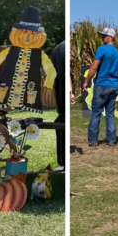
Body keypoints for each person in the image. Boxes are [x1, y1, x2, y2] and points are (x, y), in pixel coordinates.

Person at [81, 28, 118, 147]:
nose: (102, 37)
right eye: (102, 35)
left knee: (96, 113)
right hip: (114, 85)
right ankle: (111, 140)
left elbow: (94, 67)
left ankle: (93, 141)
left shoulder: (102, 49)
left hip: (101, 84)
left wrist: (86, 81)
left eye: (104, 35)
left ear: (111, 38)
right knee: (110, 114)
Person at [53, 39, 66, 167]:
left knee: (61, 119)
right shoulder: (63, 47)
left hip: (61, 104)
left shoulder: (58, 48)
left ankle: (62, 161)